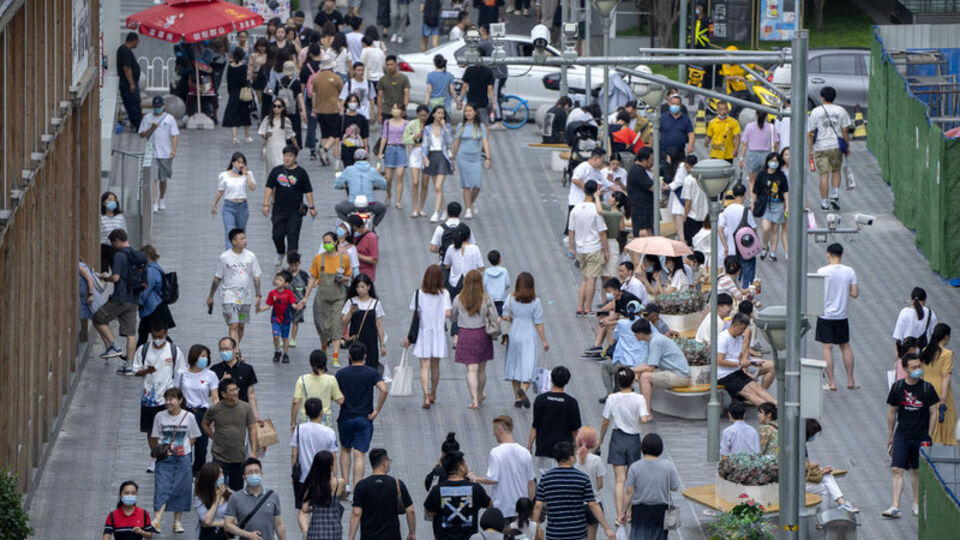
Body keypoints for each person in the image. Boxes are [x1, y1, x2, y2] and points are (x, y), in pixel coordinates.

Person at [883, 352, 940, 518]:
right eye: (914, 367)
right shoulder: (898, 387)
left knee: (917, 471)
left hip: (921, 436)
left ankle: (916, 504)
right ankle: (895, 506)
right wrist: (890, 435)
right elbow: (892, 411)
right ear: (905, 369)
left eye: (919, 367)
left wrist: (929, 435)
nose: (918, 370)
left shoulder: (927, 388)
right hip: (902, 434)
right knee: (896, 469)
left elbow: (933, 412)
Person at [532, 442, 617, 540]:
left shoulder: (545, 479)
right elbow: (593, 505)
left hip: (555, 533)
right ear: (571, 458)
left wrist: (533, 527)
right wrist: (607, 528)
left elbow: (538, 505)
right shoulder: (582, 478)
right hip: (577, 533)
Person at [335, 343, 389, 490]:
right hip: (364, 418)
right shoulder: (371, 373)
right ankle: (356, 487)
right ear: (365, 356)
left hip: (345, 416)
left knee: (345, 449)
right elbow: (384, 389)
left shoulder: (341, 374)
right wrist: (376, 411)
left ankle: (344, 484)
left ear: (349, 356)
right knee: (359, 454)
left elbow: (335, 394)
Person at [149, 388, 201, 534]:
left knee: (182, 489)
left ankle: (177, 521)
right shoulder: (159, 416)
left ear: (180, 400)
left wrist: (184, 448)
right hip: (165, 458)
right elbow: (155, 436)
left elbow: (194, 436)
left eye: (171, 399)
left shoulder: (189, 416)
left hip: (183, 458)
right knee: (161, 487)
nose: (168, 402)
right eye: (166, 399)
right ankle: (157, 520)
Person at [598, 367, 648, 515]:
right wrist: (642, 419)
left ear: (618, 382)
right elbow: (644, 419)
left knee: (619, 480)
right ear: (633, 381)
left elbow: (605, 421)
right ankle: (631, 512)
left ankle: (619, 514)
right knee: (632, 479)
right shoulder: (639, 399)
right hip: (633, 439)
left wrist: (600, 440)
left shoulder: (612, 398)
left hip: (617, 438)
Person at [403, 265, 452, 408]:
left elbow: (416, 315)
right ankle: (433, 393)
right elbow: (448, 313)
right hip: (438, 333)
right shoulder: (445, 293)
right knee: (435, 366)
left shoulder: (419, 293)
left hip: (424, 332)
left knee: (424, 366)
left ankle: (425, 396)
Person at [469, 415, 535, 520]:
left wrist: (475, 478)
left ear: (500, 431)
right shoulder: (525, 452)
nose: (493, 434)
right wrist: (529, 506)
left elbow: (492, 479)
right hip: (521, 511)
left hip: (502, 510)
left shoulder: (496, 452)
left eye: (494, 430)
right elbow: (531, 483)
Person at [131, 320, 183, 453]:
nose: (157, 339)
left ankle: (168, 453)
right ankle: (156, 456)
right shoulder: (143, 349)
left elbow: (180, 373)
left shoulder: (174, 351)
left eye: (160, 336)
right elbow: (135, 371)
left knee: (169, 429)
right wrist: (146, 371)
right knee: (150, 431)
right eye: (154, 336)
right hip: (149, 398)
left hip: (168, 398)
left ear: (166, 333)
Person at [300, 233, 352, 362]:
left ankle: (335, 356)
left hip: (338, 297)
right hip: (322, 297)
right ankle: (323, 351)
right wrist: (306, 297)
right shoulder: (318, 259)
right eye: (324, 242)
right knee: (322, 326)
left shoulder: (343, 259)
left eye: (329, 242)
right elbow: (313, 278)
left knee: (336, 325)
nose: (326, 244)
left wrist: (342, 279)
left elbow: (349, 277)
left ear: (335, 242)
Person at [619, 433, 680, 540]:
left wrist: (622, 512)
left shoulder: (635, 467)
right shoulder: (668, 465)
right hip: (661, 510)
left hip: (640, 510)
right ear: (660, 448)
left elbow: (629, 492)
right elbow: (674, 487)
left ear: (643, 447)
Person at [202, 379, 260, 492]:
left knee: (237, 489)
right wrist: (213, 436)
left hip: (238, 456)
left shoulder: (246, 407)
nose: (235, 392)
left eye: (236, 389)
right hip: (219, 455)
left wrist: (253, 452)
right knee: (218, 487)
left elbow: (252, 429)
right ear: (223, 394)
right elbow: (204, 423)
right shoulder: (215, 408)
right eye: (231, 390)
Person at [207, 229, 263, 345]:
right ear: (234, 241)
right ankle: (236, 352)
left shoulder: (251, 256)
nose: (245, 241)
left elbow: (256, 276)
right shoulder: (225, 257)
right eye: (241, 239)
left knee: (241, 326)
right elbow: (218, 277)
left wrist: (258, 294)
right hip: (229, 297)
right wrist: (211, 296)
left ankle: (235, 347)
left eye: (245, 238)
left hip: (245, 298)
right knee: (234, 325)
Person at [263, 146, 317, 267]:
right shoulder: (276, 171)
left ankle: (292, 263)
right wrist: (265, 204)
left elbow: (308, 191)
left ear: (295, 157)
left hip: (295, 211)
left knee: (293, 236)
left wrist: (312, 207)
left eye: (290, 156)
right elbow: (269, 187)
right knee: (277, 234)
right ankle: (280, 252)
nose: (287, 158)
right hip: (278, 209)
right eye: (285, 155)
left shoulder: (301, 173)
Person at [816, 243, 859, 391]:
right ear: (842, 255)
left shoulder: (821, 271)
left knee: (826, 348)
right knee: (845, 346)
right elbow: (854, 294)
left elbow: (816, 293)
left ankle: (832, 382)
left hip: (825, 315)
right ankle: (850, 380)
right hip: (842, 315)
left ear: (828, 254)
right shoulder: (850, 271)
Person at [452, 270, 497, 408]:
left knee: (471, 369)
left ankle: (474, 400)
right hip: (482, 333)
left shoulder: (459, 298)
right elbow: (494, 315)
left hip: (465, 334)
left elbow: (453, 317)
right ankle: (480, 394)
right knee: (482, 369)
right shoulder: (486, 298)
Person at [349, 448, 417, 539]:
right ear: (385, 463)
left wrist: (351, 537)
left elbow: (356, 513)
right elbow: (410, 511)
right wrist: (412, 533)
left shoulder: (361, 486)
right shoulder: (397, 484)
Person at [503, 273, 549, 409]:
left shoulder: (511, 298)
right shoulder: (536, 301)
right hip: (529, 334)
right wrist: (544, 341)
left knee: (514, 365)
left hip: (514, 333)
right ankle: (523, 388)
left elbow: (505, 315)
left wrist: (512, 318)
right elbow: (538, 323)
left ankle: (517, 398)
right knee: (529, 365)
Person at [425, 450, 493, 539]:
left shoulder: (436, 490)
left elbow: (429, 513)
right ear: (461, 467)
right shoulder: (476, 488)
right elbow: (490, 505)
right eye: (465, 464)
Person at [174, 345, 219, 476]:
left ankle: (198, 471)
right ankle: (183, 469)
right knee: (184, 442)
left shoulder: (211, 375)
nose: (204, 359)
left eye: (206, 356)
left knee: (201, 445)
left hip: (202, 413)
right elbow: (176, 394)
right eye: (202, 356)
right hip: (185, 412)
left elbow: (215, 398)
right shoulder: (182, 373)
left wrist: (215, 417)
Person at [568, 180, 609, 317]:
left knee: (585, 279)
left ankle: (580, 306)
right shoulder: (596, 210)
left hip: (580, 249)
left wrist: (572, 248)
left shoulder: (575, 209)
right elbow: (602, 233)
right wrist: (606, 251)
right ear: (596, 191)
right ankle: (588, 308)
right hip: (594, 247)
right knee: (591, 279)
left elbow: (571, 231)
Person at [529, 366, 581, 475]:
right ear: (567, 382)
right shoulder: (571, 402)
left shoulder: (540, 400)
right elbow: (574, 430)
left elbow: (535, 426)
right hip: (565, 451)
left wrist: (529, 446)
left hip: (545, 448)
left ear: (551, 379)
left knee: (545, 478)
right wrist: (578, 448)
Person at [807, 86, 852, 211]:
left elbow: (810, 132)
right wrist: (847, 146)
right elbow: (845, 130)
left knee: (824, 175)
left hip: (821, 147)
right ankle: (835, 195)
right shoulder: (841, 111)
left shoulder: (816, 112)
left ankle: (824, 202)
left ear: (822, 98)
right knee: (836, 171)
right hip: (836, 146)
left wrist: (810, 150)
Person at [717, 314, 777, 406]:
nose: (744, 332)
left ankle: (777, 405)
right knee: (750, 393)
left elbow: (740, 356)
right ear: (734, 326)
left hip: (736, 371)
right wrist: (740, 365)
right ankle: (771, 411)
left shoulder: (738, 337)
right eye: (742, 329)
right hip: (724, 375)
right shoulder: (723, 338)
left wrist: (751, 363)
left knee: (757, 387)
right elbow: (719, 361)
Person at [803, 419, 858, 513]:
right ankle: (837, 506)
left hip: (804, 478)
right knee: (825, 489)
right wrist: (815, 465)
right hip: (798, 483)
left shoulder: (801, 445)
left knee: (827, 476)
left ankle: (840, 504)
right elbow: (803, 466)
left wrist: (820, 470)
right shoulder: (799, 446)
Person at [224, 458, 287, 540]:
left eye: (257, 471)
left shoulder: (273, 495)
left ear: (261, 473)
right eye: (250, 472)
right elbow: (227, 525)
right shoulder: (235, 498)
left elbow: (279, 524)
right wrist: (248, 535)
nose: (254, 474)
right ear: (244, 476)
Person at [292, 398, 340, 505]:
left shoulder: (299, 429)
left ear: (306, 412)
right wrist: (335, 477)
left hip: (303, 477)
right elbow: (334, 458)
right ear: (321, 412)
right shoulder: (329, 432)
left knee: (303, 509)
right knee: (321, 506)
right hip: (323, 478)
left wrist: (293, 474)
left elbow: (294, 454)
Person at [138, 99, 180, 212]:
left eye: (158, 106)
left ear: (163, 106)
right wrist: (151, 128)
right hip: (152, 152)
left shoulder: (169, 118)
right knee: (154, 177)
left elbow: (175, 135)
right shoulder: (147, 118)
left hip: (165, 153)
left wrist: (173, 150)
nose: (156, 108)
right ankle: (155, 201)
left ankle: (162, 198)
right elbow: (141, 134)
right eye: (155, 106)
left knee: (163, 178)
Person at [452, 104, 492, 219]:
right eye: (466, 111)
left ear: (475, 113)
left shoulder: (480, 127)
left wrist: (488, 158)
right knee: (466, 185)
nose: (468, 113)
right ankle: (468, 208)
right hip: (462, 157)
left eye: (470, 111)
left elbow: (485, 142)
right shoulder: (461, 126)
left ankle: (472, 201)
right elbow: (456, 143)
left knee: (477, 185)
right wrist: (453, 158)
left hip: (475, 159)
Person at [210, 337, 263, 423]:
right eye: (221, 350)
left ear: (234, 349)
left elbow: (251, 394)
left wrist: (256, 416)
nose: (224, 352)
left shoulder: (247, 368)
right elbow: (209, 393)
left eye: (227, 349)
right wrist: (220, 382)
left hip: (242, 412)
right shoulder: (215, 369)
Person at [920, 324, 956, 445]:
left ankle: (927, 442)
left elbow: (922, 372)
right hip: (940, 388)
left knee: (928, 416)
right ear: (946, 337)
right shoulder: (947, 354)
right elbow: (946, 377)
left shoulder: (926, 350)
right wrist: (943, 399)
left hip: (926, 387)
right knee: (945, 418)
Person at [298, 450, 348, 539]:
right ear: (331, 466)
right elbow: (343, 497)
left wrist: (315, 507)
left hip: (317, 528)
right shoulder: (340, 483)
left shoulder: (312, 484)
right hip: (334, 529)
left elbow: (304, 509)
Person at [212, 153, 257, 250]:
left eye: (242, 163)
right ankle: (230, 257)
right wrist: (214, 205)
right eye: (238, 162)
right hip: (229, 207)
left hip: (242, 207)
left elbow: (252, 187)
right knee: (230, 232)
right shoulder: (224, 175)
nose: (240, 165)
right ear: (233, 163)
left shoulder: (248, 174)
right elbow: (220, 191)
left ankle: (240, 253)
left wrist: (246, 175)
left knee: (240, 233)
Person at [341, 273, 386, 369]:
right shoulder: (351, 302)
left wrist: (382, 344)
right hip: (356, 343)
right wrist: (350, 312)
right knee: (355, 368)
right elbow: (343, 323)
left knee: (371, 368)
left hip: (371, 343)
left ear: (368, 287)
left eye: (362, 287)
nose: (360, 290)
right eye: (357, 287)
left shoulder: (375, 303)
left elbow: (379, 325)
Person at [292, 350, 345, 430]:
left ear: (310, 363)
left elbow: (296, 402)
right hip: (324, 420)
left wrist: (293, 422)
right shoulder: (331, 379)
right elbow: (340, 401)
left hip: (306, 419)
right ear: (325, 363)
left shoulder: (302, 379)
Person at [334, 148, 389, 226]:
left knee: (338, 208)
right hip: (370, 204)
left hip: (352, 204)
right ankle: (373, 227)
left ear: (354, 158)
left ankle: (349, 226)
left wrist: (342, 186)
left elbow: (337, 184)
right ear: (367, 158)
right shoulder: (373, 170)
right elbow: (384, 185)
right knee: (382, 208)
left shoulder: (349, 170)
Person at [717, 183, 757, 285]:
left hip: (732, 249)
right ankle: (746, 295)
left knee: (733, 276)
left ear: (733, 194)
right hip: (745, 249)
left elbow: (720, 229)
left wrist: (725, 246)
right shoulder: (745, 211)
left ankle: (735, 296)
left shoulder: (726, 210)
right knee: (748, 275)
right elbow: (754, 229)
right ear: (745, 194)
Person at [136, 245, 176, 348]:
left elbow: (146, 289)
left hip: (152, 308)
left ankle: (136, 356)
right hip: (156, 307)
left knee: (153, 333)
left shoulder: (150, 271)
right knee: (146, 333)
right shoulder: (155, 267)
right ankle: (136, 355)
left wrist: (138, 300)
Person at [255, 270, 298, 363]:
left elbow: (293, 304)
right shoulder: (272, 293)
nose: (277, 281)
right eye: (277, 279)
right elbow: (268, 305)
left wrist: (298, 306)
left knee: (285, 338)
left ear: (286, 283)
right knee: (275, 336)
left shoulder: (289, 293)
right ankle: (277, 351)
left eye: (280, 280)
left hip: (286, 319)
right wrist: (260, 309)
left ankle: (285, 354)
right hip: (275, 319)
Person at [753, 151, 789, 261]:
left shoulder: (781, 175)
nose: (774, 163)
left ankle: (773, 251)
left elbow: (785, 191)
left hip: (778, 204)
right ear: (767, 161)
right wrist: (753, 203)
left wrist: (787, 206)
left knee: (775, 229)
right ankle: (764, 246)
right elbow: (755, 190)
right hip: (765, 204)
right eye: (772, 160)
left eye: (776, 161)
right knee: (766, 227)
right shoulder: (761, 174)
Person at [423, 106, 455, 222]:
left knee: (438, 186)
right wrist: (424, 157)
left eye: (442, 113)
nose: (440, 115)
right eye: (438, 113)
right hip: (432, 156)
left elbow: (449, 141)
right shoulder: (427, 128)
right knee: (438, 188)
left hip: (442, 157)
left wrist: (444, 127)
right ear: (433, 115)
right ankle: (445, 210)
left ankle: (436, 212)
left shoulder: (445, 127)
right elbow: (425, 144)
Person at [312, 52, 344, 166]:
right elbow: (342, 93)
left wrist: (314, 108)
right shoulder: (336, 78)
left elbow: (314, 94)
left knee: (325, 133)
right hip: (333, 109)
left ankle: (324, 157)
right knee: (336, 133)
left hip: (320, 109)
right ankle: (324, 149)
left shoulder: (316, 78)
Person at [738, 113, 778, 199]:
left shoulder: (749, 126)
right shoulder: (771, 127)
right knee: (766, 179)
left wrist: (741, 157)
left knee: (752, 180)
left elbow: (745, 144)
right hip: (766, 155)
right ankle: (764, 197)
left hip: (753, 154)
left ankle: (753, 199)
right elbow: (775, 143)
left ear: (756, 114)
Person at [565, 147, 604, 238]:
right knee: (573, 227)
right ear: (595, 158)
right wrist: (586, 188)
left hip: (587, 202)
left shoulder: (597, 171)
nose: (602, 163)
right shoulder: (584, 166)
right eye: (601, 161)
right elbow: (575, 179)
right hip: (577, 201)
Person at [893, 287, 938, 361]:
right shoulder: (930, 314)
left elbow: (898, 336)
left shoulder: (904, 313)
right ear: (924, 300)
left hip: (906, 353)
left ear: (911, 298)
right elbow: (934, 335)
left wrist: (897, 353)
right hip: (923, 353)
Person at [378, 102, 409, 208]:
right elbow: (384, 137)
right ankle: (388, 194)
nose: (395, 110)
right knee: (388, 177)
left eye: (397, 108)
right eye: (394, 108)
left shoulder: (406, 123)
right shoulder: (387, 122)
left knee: (400, 175)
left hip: (401, 149)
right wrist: (380, 152)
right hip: (390, 149)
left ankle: (398, 201)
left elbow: (409, 137)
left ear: (402, 111)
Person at [404, 104, 431, 217]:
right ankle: (415, 208)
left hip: (428, 154)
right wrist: (415, 136)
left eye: (425, 115)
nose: (423, 117)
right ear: (417, 115)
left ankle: (421, 207)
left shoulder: (431, 124)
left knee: (425, 183)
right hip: (415, 152)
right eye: (421, 115)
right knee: (415, 182)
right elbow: (405, 139)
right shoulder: (412, 124)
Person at [444, 224, 484, 298]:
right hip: (472, 283)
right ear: (469, 236)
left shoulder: (451, 248)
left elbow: (447, 265)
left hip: (455, 283)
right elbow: (481, 268)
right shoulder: (475, 248)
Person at [194, 463, 232, 540]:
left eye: (222, 473)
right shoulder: (199, 496)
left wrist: (212, 523)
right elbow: (206, 520)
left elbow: (236, 521)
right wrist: (217, 500)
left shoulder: (231, 495)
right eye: (218, 474)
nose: (221, 476)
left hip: (227, 535)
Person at [224, 48, 253, 144]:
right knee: (245, 115)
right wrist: (249, 82)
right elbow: (243, 81)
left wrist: (230, 92)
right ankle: (246, 136)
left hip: (233, 93)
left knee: (233, 115)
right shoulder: (243, 67)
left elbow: (228, 82)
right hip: (242, 93)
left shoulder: (230, 67)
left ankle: (235, 137)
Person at [626, 147, 655, 237]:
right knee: (644, 236)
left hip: (644, 209)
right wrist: (655, 174)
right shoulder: (637, 170)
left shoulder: (639, 170)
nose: (652, 162)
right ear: (644, 159)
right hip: (641, 211)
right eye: (651, 160)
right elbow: (653, 188)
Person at [337, 92, 371, 167]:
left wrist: (366, 149)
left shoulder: (362, 119)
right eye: (351, 101)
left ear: (358, 103)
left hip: (359, 151)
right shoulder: (342, 119)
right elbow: (337, 135)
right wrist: (336, 148)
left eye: (355, 101)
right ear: (347, 103)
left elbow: (365, 135)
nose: (353, 104)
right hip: (346, 151)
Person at [680, 155, 708, 245]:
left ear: (688, 166)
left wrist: (684, 216)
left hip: (692, 217)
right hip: (705, 216)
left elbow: (688, 201)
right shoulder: (705, 176)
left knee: (693, 243)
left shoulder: (689, 180)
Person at [117, 33, 143, 129]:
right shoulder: (125, 51)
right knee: (133, 103)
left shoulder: (126, 50)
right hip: (128, 83)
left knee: (134, 103)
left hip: (129, 82)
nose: (137, 44)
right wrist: (131, 83)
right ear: (133, 41)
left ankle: (137, 123)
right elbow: (127, 68)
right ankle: (139, 125)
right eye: (137, 41)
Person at [459, 60, 495, 124]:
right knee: (484, 123)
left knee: (469, 123)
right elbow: (490, 89)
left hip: (471, 101)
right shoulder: (488, 71)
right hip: (483, 102)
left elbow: (464, 86)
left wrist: (460, 99)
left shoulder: (469, 70)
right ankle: (484, 133)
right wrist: (493, 102)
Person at [378, 56, 411, 123]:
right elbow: (379, 97)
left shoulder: (404, 78)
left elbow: (407, 95)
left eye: (391, 64)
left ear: (396, 64)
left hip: (399, 110)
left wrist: (404, 109)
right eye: (388, 65)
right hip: (386, 111)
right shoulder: (382, 80)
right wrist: (379, 114)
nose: (390, 67)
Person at [99, 192, 127, 273]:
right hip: (104, 247)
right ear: (104, 202)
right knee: (103, 272)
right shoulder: (101, 217)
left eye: (114, 200)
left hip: (117, 247)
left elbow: (124, 232)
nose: (112, 202)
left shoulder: (120, 217)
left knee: (118, 272)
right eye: (110, 199)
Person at [484, 250, 510, 316]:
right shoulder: (504, 271)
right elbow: (507, 284)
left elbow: (485, 284)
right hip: (500, 297)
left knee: (491, 315)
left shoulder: (487, 271)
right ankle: (497, 324)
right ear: (500, 259)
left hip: (490, 297)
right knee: (500, 314)